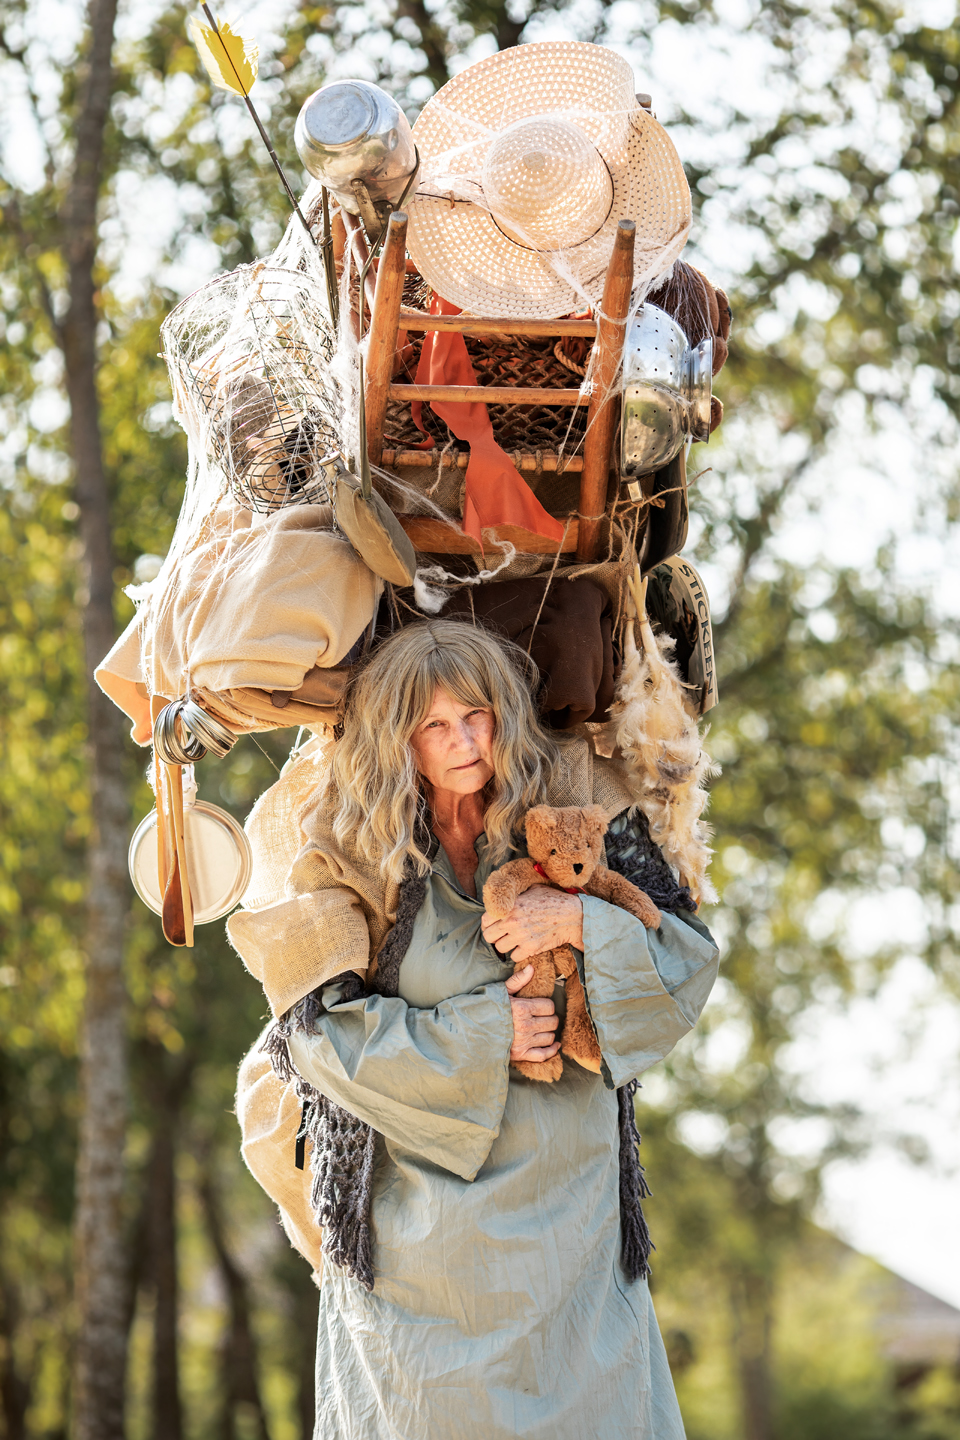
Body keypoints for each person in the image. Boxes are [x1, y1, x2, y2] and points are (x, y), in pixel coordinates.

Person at [233, 619, 719, 1439]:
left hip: (573, 1224)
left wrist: (573, 918)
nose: (464, 741)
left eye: (478, 716)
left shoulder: (575, 800)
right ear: (400, 739)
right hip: (415, 1243)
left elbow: (685, 961)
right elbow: (315, 1038)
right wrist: (484, 1031)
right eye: (435, 724)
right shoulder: (350, 846)